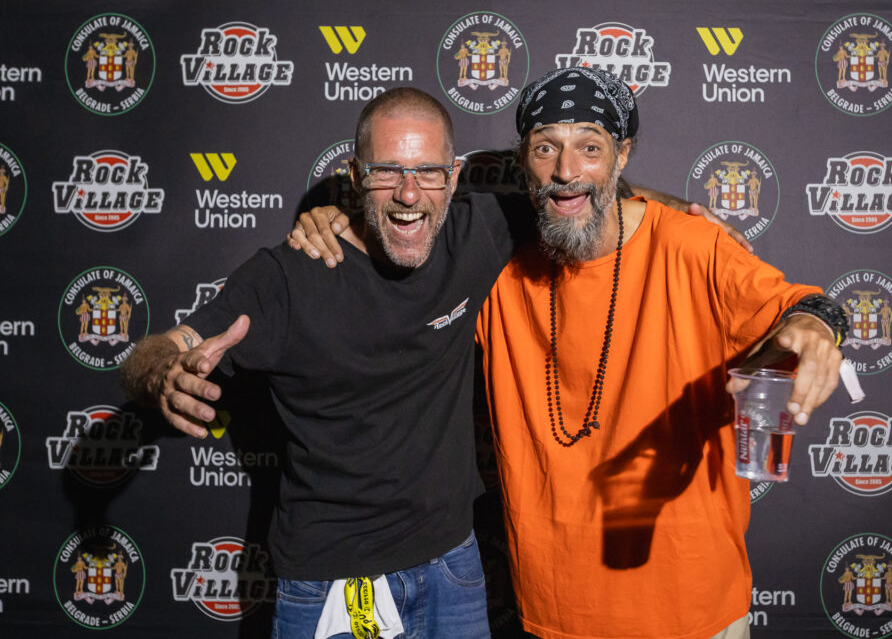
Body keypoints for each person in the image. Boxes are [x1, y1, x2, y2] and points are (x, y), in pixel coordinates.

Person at [292, 70, 846, 639]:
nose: (565, 169)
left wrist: (815, 325)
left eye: (590, 147)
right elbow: (406, 230)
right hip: (555, 613)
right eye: (545, 148)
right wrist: (342, 222)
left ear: (622, 155)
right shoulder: (497, 271)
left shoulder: (693, 247)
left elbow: (802, 307)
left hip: (693, 609)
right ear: (523, 162)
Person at [121, 88, 522, 638]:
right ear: (355, 176)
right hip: (331, 580)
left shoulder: (477, 235)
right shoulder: (288, 278)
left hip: (453, 565)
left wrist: (653, 204)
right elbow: (154, 353)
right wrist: (163, 373)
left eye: (427, 172)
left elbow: (589, 201)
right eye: (386, 171)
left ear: (452, 178)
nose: (409, 193)